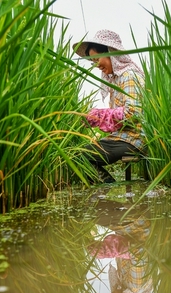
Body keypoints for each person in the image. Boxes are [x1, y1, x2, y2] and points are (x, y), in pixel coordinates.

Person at [73, 29, 146, 183]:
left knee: (80, 156)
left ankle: (107, 195)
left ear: (111, 52)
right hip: (122, 137)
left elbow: (133, 113)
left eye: (97, 58)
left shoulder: (129, 75)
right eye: (93, 61)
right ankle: (108, 190)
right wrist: (95, 117)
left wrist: (100, 116)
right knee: (78, 154)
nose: (96, 65)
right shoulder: (115, 80)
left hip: (133, 139)